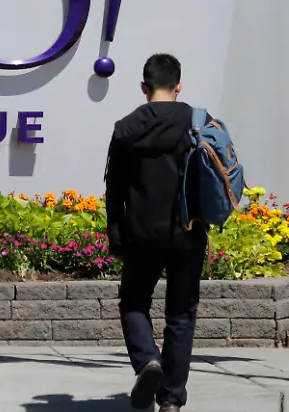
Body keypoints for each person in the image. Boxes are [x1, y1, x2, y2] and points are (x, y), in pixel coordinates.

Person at [104, 53, 210, 412]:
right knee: (181, 315)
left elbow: (114, 189)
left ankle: (148, 359)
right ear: (178, 86)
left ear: (143, 87)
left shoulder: (126, 127)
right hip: (188, 231)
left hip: (141, 234)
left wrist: (116, 236)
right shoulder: (197, 122)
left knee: (134, 302)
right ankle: (171, 400)